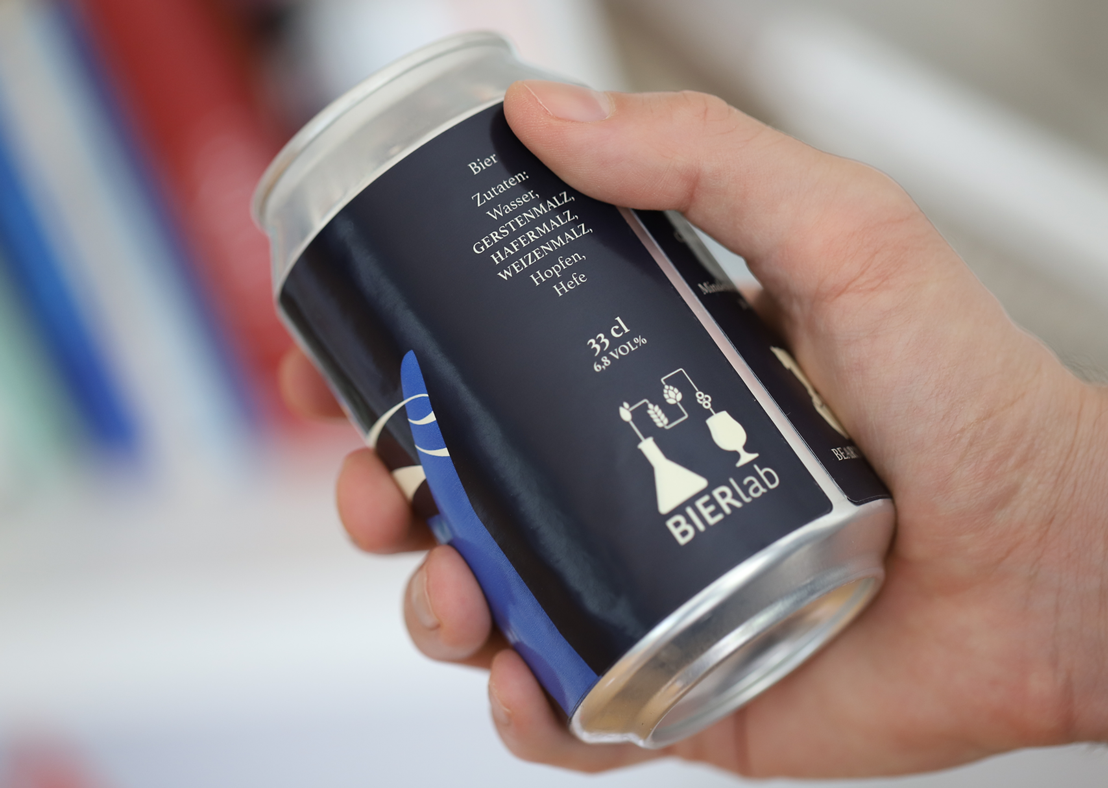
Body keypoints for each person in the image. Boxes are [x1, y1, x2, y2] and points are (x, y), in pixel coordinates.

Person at [278, 81, 1108, 778]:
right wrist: (1061, 625)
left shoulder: (519, 121)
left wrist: (1058, 523)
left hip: (808, 552)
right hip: (732, 604)